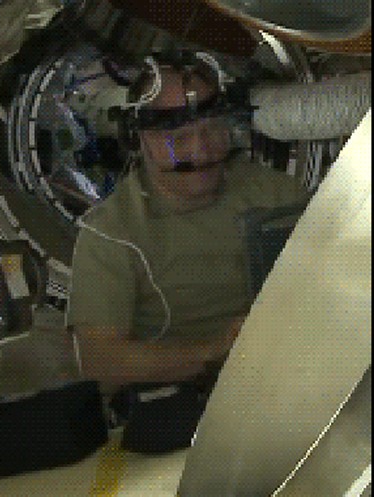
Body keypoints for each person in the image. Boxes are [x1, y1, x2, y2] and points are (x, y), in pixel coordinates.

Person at [65, 52, 309, 396]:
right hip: (185, 396)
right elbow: (99, 361)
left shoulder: (277, 194)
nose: (201, 151)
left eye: (211, 130)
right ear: (141, 141)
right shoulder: (113, 233)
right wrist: (215, 351)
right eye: (178, 139)